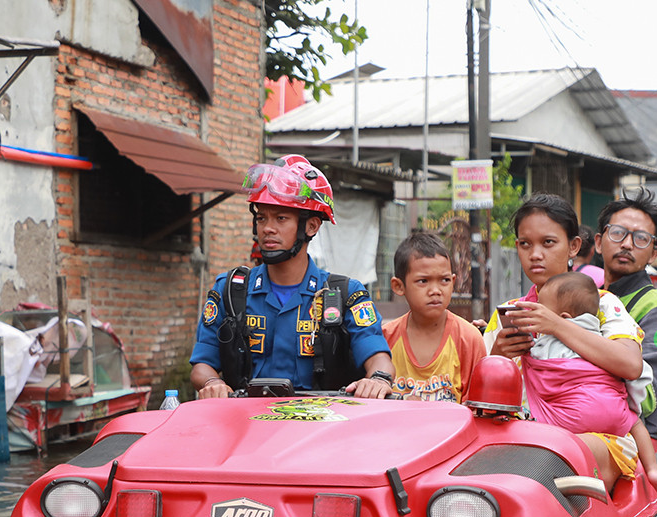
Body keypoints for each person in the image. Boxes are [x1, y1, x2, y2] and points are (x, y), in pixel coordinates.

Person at [485, 193, 656, 492]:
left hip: (600, 440)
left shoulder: (605, 305)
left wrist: (558, 326)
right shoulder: (507, 314)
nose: (535, 254)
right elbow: (482, 400)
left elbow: (630, 364)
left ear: (573, 247)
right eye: (525, 244)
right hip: (527, 436)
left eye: (548, 243)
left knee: (558, 452)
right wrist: (499, 354)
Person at [190, 154, 394, 398]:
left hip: (321, 427)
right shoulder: (231, 291)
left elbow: (378, 358)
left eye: (281, 218)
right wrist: (214, 382)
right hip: (247, 426)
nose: (267, 228)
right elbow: (201, 365)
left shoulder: (344, 295)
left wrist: (378, 380)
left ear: (312, 226)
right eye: (261, 217)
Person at [524, 271, 657, 494]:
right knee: (636, 422)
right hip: (616, 414)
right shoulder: (601, 336)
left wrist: (523, 349)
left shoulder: (547, 342)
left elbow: (533, 366)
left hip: (572, 421)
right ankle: (653, 470)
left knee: (539, 438)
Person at [593, 188, 657, 437]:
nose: (627, 244)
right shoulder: (586, 298)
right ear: (598, 242)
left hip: (634, 444)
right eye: (617, 233)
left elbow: (646, 398)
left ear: (653, 254)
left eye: (641, 239)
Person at [382, 232, 486, 402]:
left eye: (444, 280)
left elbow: (477, 409)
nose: (436, 290)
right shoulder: (386, 338)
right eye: (423, 281)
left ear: (453, 282)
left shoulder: (468, 339)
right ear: (399, 286)